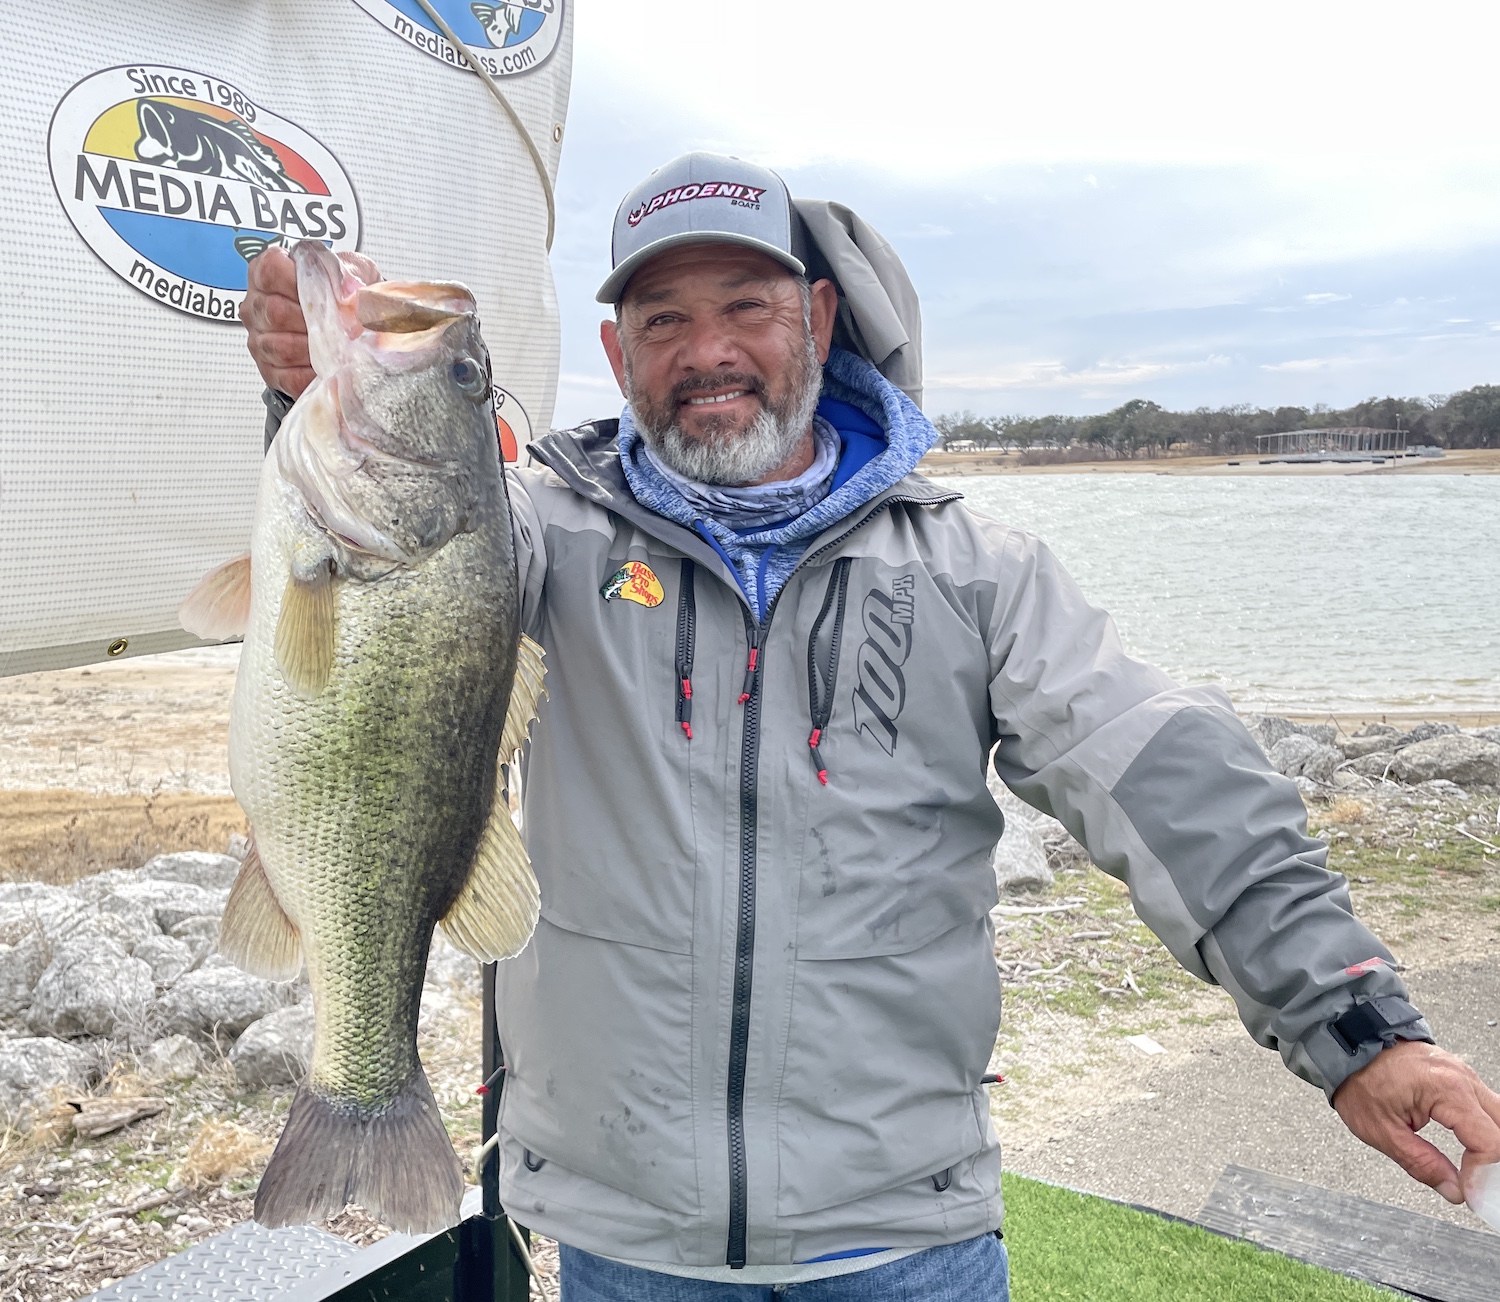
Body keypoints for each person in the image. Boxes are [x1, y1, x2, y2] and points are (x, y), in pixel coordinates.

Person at [243, 151, 1500, 1300]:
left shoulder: (976, 569)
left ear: (820, 318)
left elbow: (1170, 781)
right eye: (664, 319)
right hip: (627, 1238)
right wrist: (304, 388)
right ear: (618, 355)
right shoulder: (533, 538)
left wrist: (1356, 1033)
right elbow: (382, 579)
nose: (707, 350)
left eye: (746, 306)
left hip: (909, 1235)